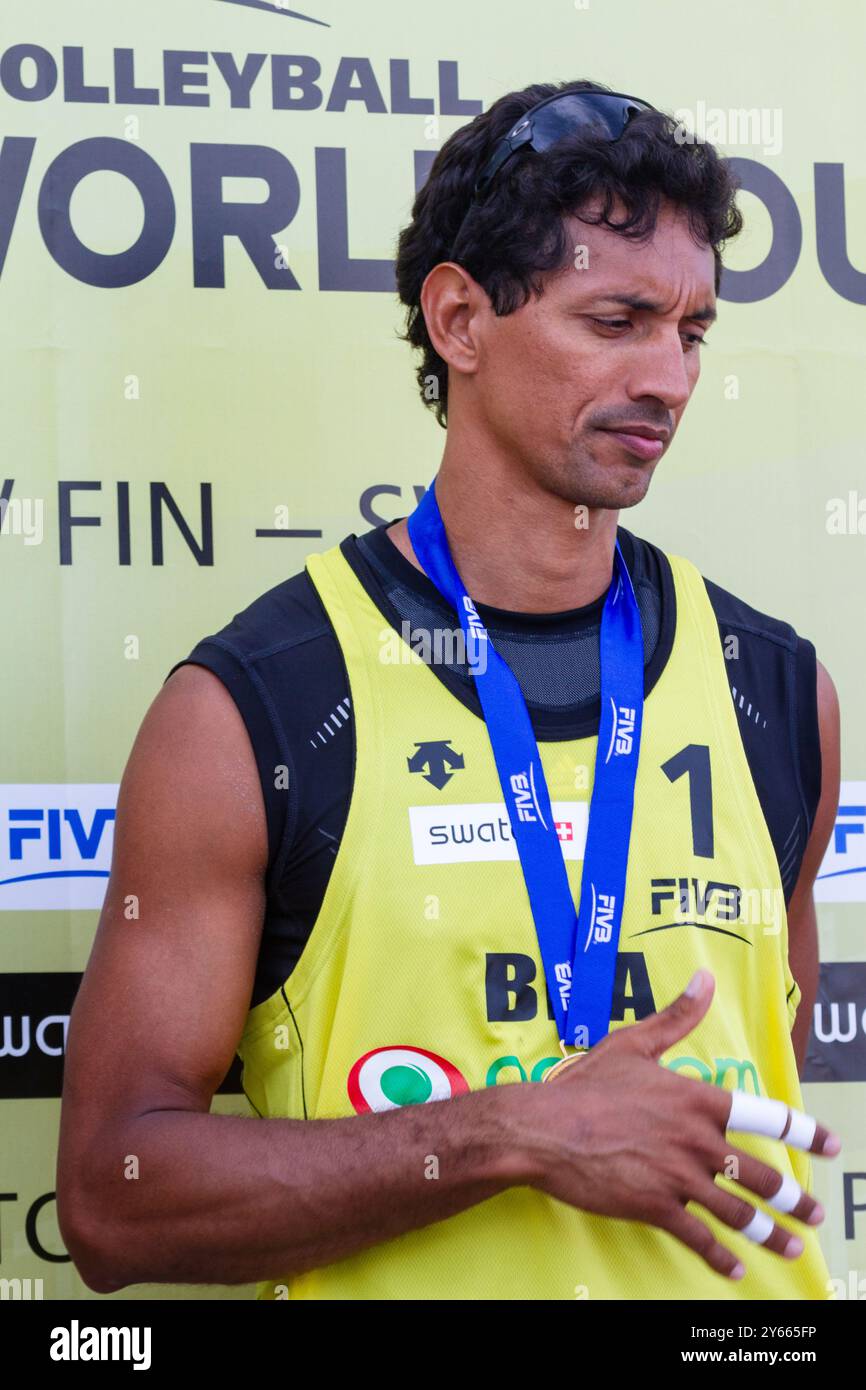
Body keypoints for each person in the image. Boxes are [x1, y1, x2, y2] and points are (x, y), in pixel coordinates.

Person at [57, 79, 842, 1301]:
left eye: (688, 333)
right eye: (616, 318)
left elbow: (765, 1061)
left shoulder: (776, 687)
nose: (670, 379)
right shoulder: (254, 705)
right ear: (460, 320)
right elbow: (113, 1199)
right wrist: (509, 1132)